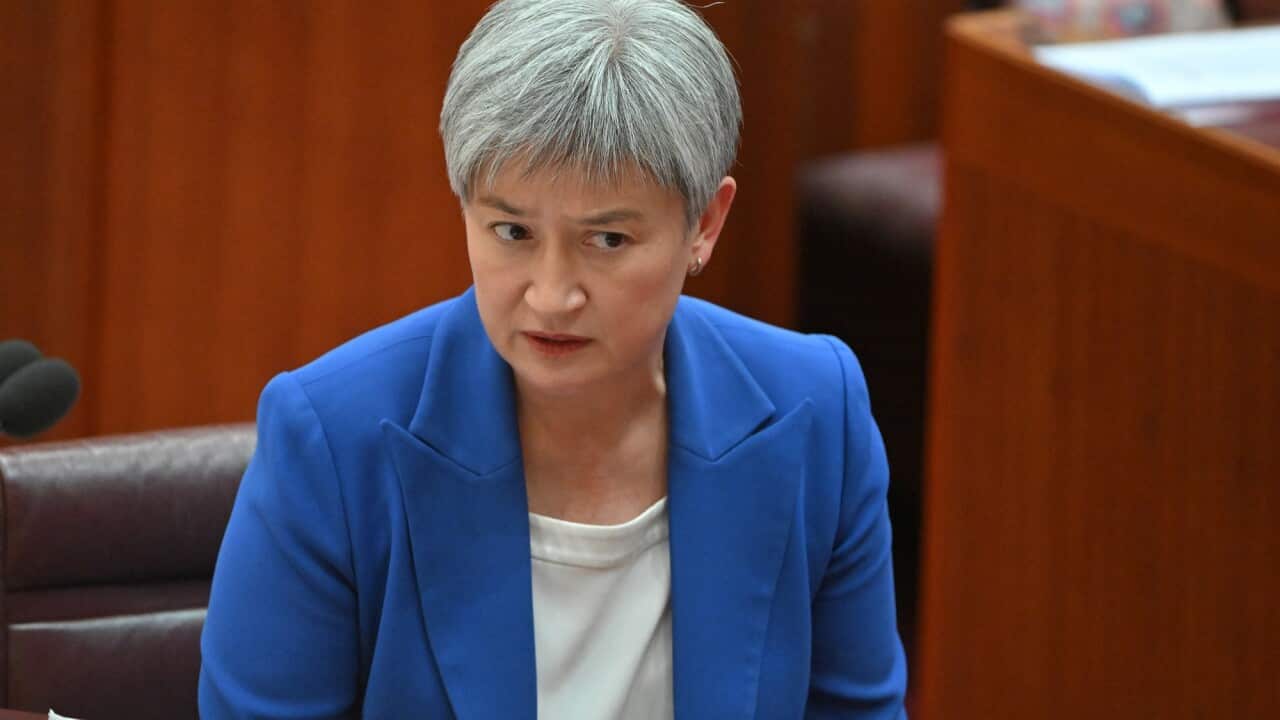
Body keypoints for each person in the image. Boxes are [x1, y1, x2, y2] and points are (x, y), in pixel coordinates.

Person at [198, 0, 907, 717]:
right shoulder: (332, 440)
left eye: (607, 241)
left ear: (705, 224)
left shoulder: (817, 411)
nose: (551, 295)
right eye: (512, 231)